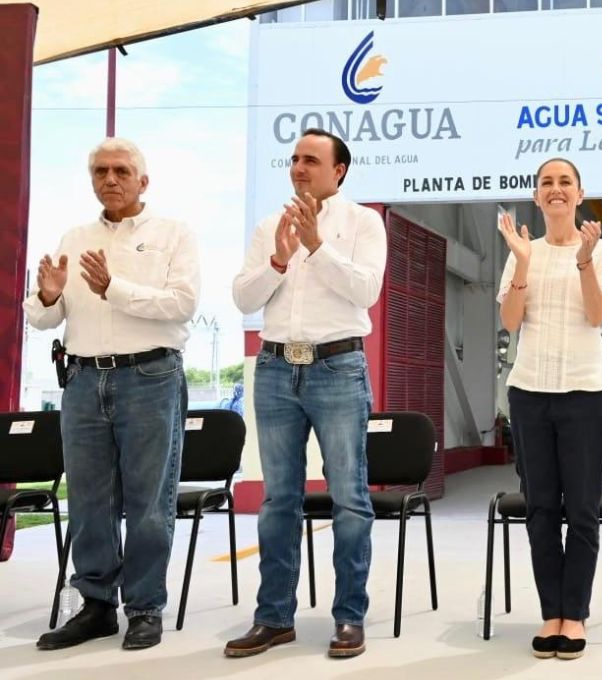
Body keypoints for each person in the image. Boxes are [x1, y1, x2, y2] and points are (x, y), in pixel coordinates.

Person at [26, 138, 199, 651]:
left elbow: (183, 304)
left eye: (122, 170)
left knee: (148, 501)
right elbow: (41, 318)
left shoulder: (174, 234)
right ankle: (97, 604)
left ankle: (144, 606)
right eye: (100, 171)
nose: (110, 179)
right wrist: (50, 296)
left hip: (149, 377)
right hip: (81, 380)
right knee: (88, 499)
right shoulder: (74, 236)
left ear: (143, 181)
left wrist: (114, 288)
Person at [227, 128, 386, 659]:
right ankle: (273, 618)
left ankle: (349, 618)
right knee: (278, 501)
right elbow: (242, 297)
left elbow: (365, 291)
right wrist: (277, 260)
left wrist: (316, 246)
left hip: (337, 367)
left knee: (349, 498)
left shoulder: (364, 222)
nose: (298, 167)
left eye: (311, 160)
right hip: (275, 370)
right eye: (294, 158)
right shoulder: (270, 224)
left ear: (338, 170)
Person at [496, 157, 602, 660]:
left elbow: (595, 316)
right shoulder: (522, 252)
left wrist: (585, 260)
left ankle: (577, 614)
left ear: (579, 192)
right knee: (542, 508)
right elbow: (510, 321)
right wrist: (523, 262)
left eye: (564, 182)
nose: (556, 189)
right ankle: (552, 612)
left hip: (586, 394)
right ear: (536, 195)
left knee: (583, 511)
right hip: (529, 393)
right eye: (547, 182)